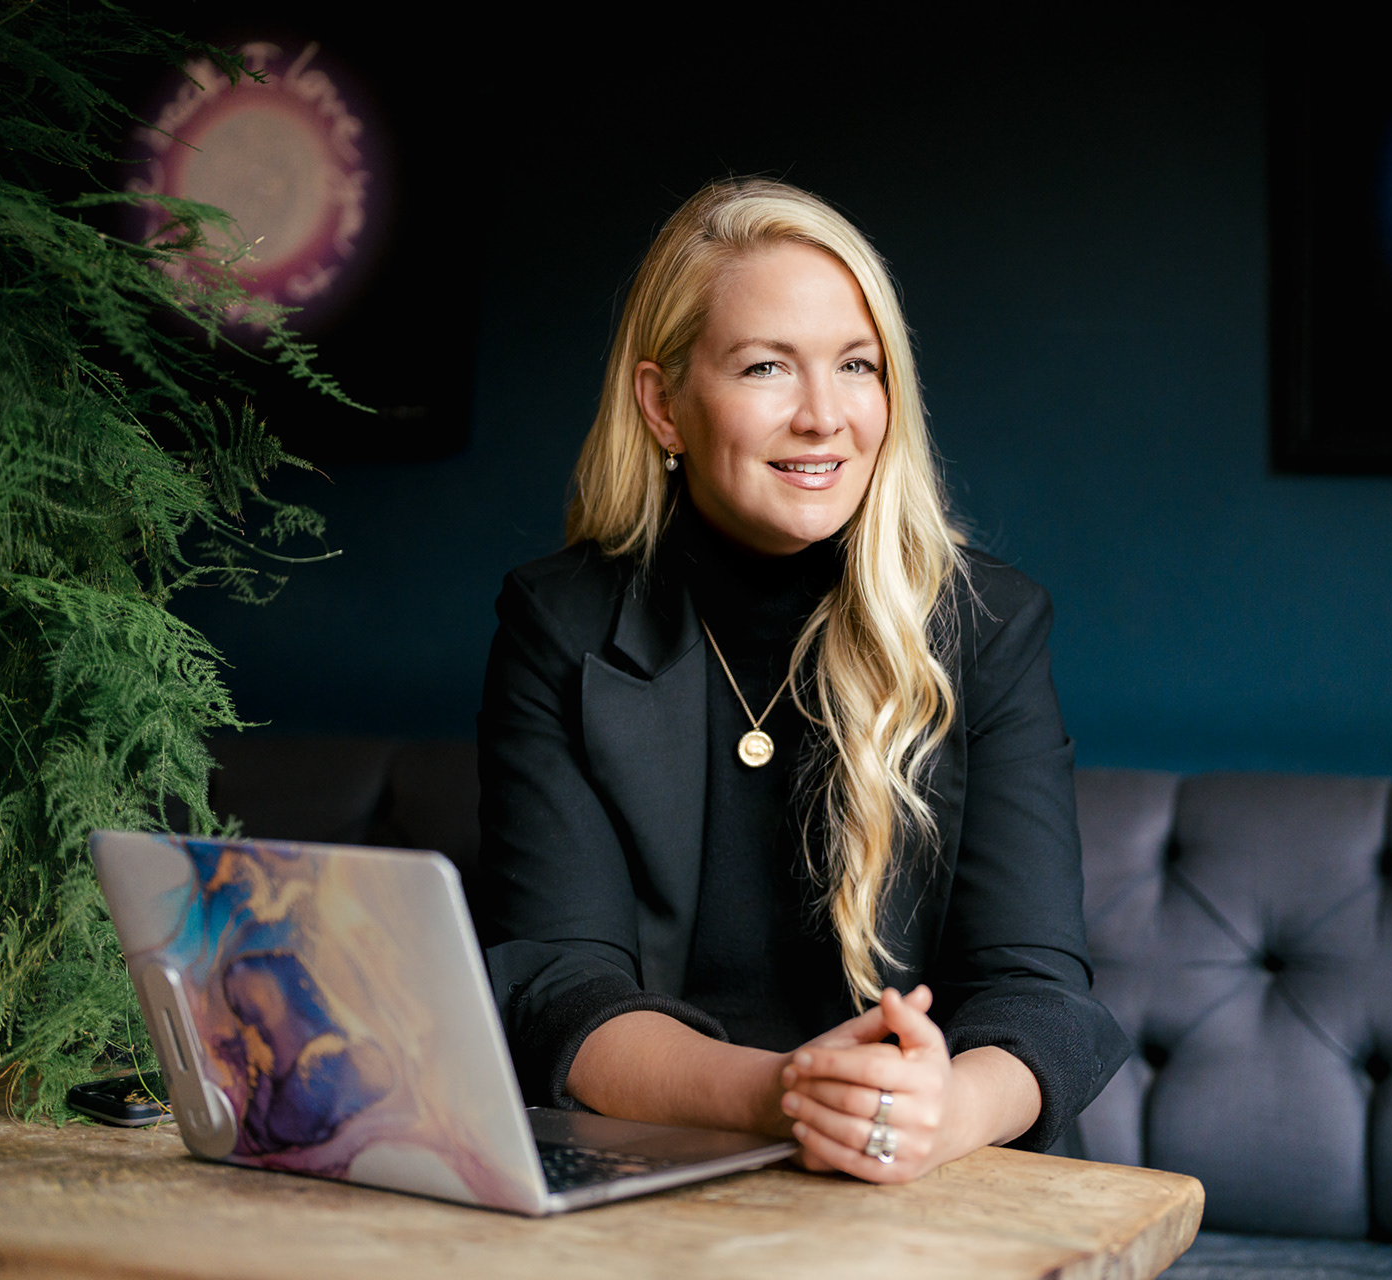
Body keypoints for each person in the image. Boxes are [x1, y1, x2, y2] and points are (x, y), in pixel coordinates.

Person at [472, 177, 1128, 1182]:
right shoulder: (558, 624)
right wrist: (788, 1092)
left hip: (937, 1184)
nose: (825, 416)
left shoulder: (984, 624)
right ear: (665, 403)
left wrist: (933, 1111)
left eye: (856, 365)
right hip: (656, 1172)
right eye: (767, 365)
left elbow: (1039, 992)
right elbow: (560, 984)